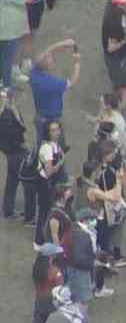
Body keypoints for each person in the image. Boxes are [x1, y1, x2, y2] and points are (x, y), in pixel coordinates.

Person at [29, 39, 80, 147]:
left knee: (41, 141)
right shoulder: (53, 83)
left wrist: (60, 44)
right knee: (57, 144)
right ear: (46, 66)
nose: (53, 60)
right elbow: (73, 81)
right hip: (52, 119)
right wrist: (77, 63)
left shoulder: (33, 74)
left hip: (40, 116)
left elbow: (45, 54)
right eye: (51, 60)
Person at [1, 0, 47, 87]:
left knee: (30, 36)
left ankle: (23, 64)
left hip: (29, 12)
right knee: (19, 43)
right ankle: (10, 79)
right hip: (11, 27)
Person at [68, 208, 105, 323]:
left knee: (78, 301)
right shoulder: (81, 235)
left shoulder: (82, 231)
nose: (95, 222)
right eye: (93, 219)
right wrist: (93, 263)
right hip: (80, 272)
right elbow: (80, 259)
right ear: (85, 220)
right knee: (82, 302)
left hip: (79, 271)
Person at [27, 243, 65, 323]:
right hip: (52, 302)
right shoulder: (55, 271)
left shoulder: (36, 267)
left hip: (39, 299)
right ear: (50, 257)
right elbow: (60, 289)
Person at [33, 119, 67, 248]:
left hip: (51, 184)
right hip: (45, 184)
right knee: (44, 212)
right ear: (47, 132)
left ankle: (45, 237)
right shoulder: (47, 148)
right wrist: (60, 163)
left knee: (49, 211)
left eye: (57, 129)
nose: (56, 132)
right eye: (53, 130)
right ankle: (39, 241)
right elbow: (48, 172)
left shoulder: (55, 145)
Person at [102, 0, 126, 109]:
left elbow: (123, 26)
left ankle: (115, 107)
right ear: (117, 5)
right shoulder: (112, 22)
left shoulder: (120, 14)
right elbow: (110, 48)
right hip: (115, 59)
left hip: (121, 56)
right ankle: (117, 114)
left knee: (121, 86)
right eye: (124, 3)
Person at [1, 86, 28, 219]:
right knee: (19, 180)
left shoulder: (9, 112)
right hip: (16, 151)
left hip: (11, 151)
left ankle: (8, 210)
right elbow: (17, 133)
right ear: (14, 98)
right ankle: (11, 211)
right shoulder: (9, 115)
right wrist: (22, 144)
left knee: (12, 181)